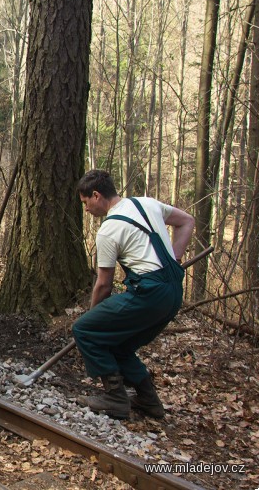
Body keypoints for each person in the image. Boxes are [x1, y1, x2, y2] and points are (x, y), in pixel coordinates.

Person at [74, 170, 194, 419]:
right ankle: (149, 401)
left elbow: (103, 285)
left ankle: (115, 398)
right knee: (120, 344)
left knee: (84, 330)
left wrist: (92, 318)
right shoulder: (147, 203)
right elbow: (187, 221)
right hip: (173, 292)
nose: (86, 210)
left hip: (148, 293)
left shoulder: (109, 230)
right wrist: (174, 259)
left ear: (96, 196)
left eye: (86, 203)